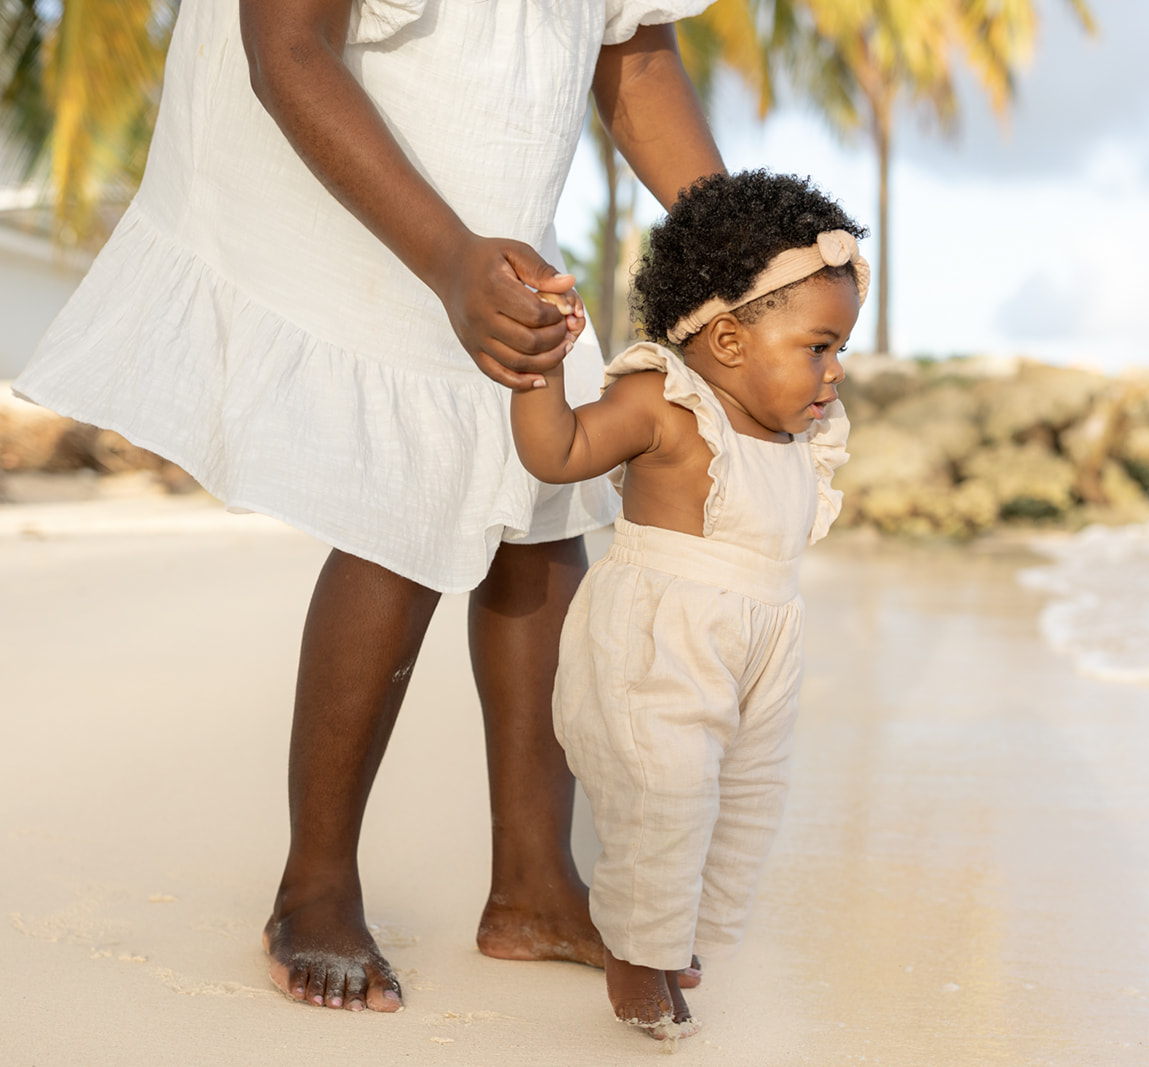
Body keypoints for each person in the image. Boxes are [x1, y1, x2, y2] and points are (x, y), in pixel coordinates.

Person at [12, 0, 724, 1012]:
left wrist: (746, 245)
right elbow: (285, 46)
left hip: (490, 155)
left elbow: (636, 57)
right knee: (414, 492)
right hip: (348, 136)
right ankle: (316, 880)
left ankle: (531, 882)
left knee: (538, 510)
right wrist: (443, 258)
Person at [510, 170, 864, 1039]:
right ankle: (635, 955)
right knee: (663, 794)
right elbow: (557, 453)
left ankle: (677, 935)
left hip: (764, 640)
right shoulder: (665, 405)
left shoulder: (801, 434)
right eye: (818, 345)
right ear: (732, 341)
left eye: (838, 347)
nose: (835, 368)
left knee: (745, 799)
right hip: (661, 639)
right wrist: (538, 369)